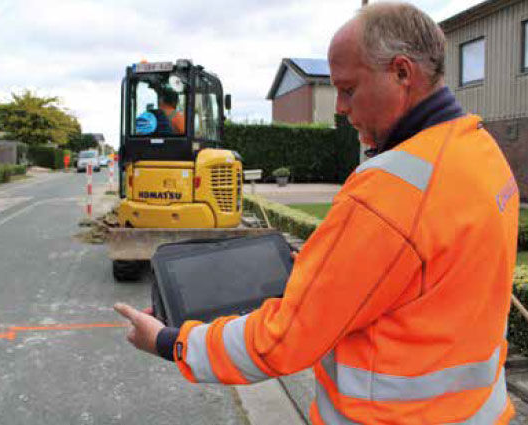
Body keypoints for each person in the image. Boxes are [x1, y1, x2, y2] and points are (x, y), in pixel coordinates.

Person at [114, 3, 519, 423]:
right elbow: (429, 281)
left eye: (348, 89)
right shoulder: (481, 151)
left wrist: (172, 342)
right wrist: (331, 269)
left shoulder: (390, 190)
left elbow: (283, 339)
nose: (340, 108)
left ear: (402, 73)